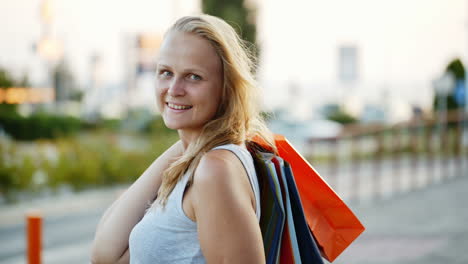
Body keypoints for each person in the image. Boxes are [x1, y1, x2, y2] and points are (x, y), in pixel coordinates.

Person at [91, 14, 275, 264]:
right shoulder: (194, 160)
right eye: (165, 72)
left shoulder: (216, 169)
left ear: (226, 88)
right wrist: (186, 146)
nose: (174, 89)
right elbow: (105, 254)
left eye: (194, 76)